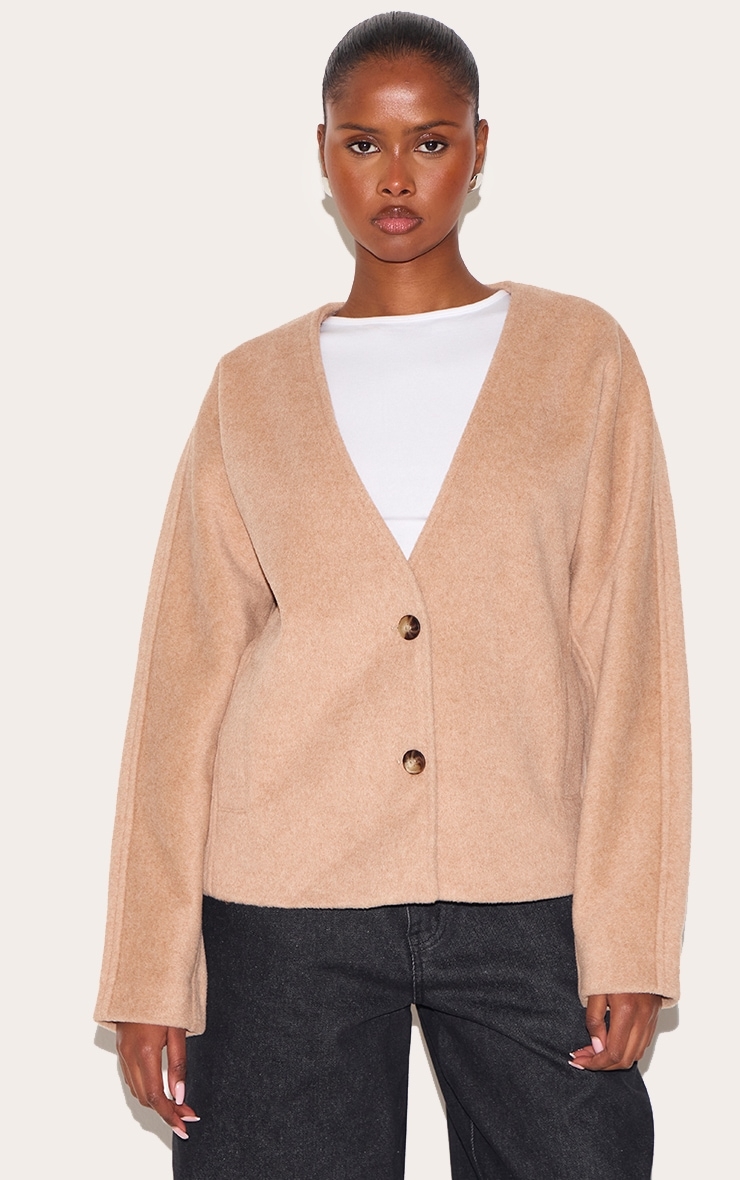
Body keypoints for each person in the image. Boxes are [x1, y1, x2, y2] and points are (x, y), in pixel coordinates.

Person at [95, 12, 691, 1179]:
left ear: (479, 146)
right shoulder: (251, 386)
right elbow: (184, 678)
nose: (395, 178)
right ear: (321, 153)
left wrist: (629, 934)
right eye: (362, 143)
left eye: (429, 141)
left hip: (527, 892)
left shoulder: (580, 359)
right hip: (279, 899)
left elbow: (633, 659)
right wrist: (149, 967)